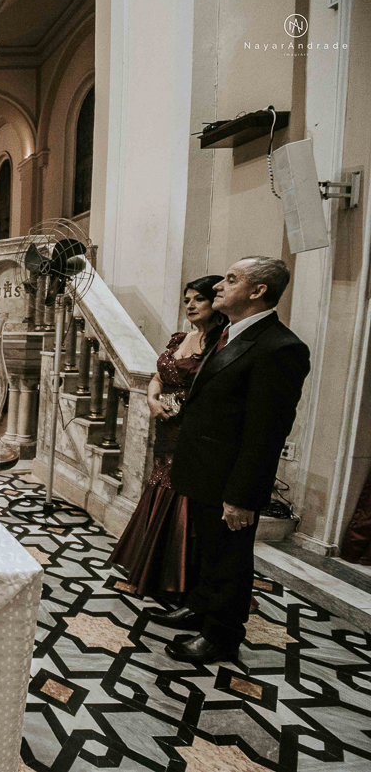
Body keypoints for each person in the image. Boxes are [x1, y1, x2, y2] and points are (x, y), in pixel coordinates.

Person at [149, 257, 310, 664]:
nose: (219, 285)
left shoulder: (280, 348)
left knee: (229, 559)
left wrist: (242, 496)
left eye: (231, 280)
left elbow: (266, 432)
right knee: (206, 549)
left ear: (258, 292)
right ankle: (201, 607)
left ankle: (221, 635)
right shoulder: (228, 336)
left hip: (230, 481)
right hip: (201, 470)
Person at [109, 276, 225, 597]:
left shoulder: (221, 344)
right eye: (187, 299)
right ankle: (148, 567)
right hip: (166, 424)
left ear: (216, 303)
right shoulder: (180, 339)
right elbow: (158, 376)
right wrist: (151, 398)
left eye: (198, 299)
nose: (189, 305)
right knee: (159, 483)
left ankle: (178, 576)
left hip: (193, 428)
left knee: (182, 490)